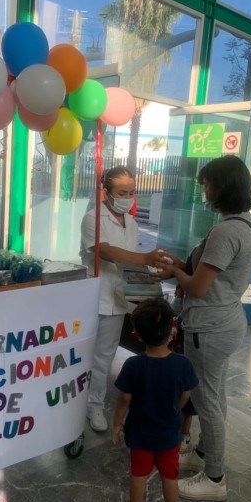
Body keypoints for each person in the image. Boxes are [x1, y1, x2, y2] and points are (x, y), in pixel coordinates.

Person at [151, 154, 251, 502]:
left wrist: (174, 273)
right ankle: (202, 453)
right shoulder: (244, 223)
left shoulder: (227, 231)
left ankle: (214, 478)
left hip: (210, 328)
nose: (205, 191)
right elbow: (209, 274)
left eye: (208, 185)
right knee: (215, 395)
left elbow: (198, 287)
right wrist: (181, 264)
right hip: (226, 322)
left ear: (222, 187)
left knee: (207, 401)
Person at [80, 166, 169, 432]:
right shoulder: (93, 219)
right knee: (82, 354)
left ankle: (94, 405)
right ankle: (72, 400)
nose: (128, 198)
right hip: (93, 295)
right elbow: (104, 251)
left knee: (104, 356)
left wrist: (149, 274)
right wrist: (144, 258)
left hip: (117, 297)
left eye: (131, 192)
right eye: (121, 193)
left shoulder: (132, 224)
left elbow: (129, 262)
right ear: (106, 192)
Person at [111, 297, 198, 502]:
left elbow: (124, 398)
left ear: (136, 334)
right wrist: (174, 409)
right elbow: (185, 395)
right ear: (173, 330)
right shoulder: (183, 364)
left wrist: (117, 424)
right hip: (169, 433)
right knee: (169, 476)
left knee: (139, 473)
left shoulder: (133, 365)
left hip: (139, 433)